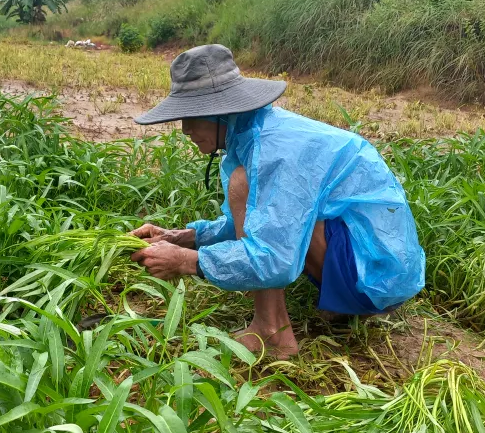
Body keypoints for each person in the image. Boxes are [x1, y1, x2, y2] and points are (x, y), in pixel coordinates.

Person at [130, 44, 425, 359]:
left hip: (377, 276)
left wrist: (185, 261)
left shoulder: (274, 149)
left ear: (221, 111)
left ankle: (272, 333)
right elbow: (246, 224)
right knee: (258, 200)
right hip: (374, 266)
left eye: (192, 116)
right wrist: (181, 237)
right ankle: (338, 304)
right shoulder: (255, 132)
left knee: (244, 188)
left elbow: (273, 257)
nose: (186, 129)